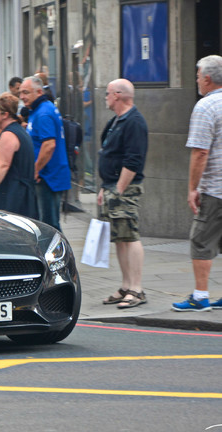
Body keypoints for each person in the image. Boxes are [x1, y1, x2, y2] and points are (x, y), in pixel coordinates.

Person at [172, 55, 222, 312]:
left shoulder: (206, 106)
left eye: (197, 76)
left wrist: (193, 188)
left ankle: (201, 296)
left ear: (207, 79)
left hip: (216, 189)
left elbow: (200, 153)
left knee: (201, 241)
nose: (196, 81)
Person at [98, 78, 148, 309]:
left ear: (117, 95)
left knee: (130, 235)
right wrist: (104, 187)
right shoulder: (116, 121)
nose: (106, 97)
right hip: (111, 186)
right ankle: (126, 285)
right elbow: (109, 153)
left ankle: (137, 290)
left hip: (125, 189)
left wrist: (118, 190)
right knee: (120, 238)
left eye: (108, 93)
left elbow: (134, 160)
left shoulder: (134, 122)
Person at [19, 75, 71, 231]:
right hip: (48, 175)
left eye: (26, 92)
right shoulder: (41, 109)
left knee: (49, 225)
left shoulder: (43, 113)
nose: (22, 97)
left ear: (39, 92)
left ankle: (58, 254)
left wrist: (36, 169)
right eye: (21, 93)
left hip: (48, 177)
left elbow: (49, 145)